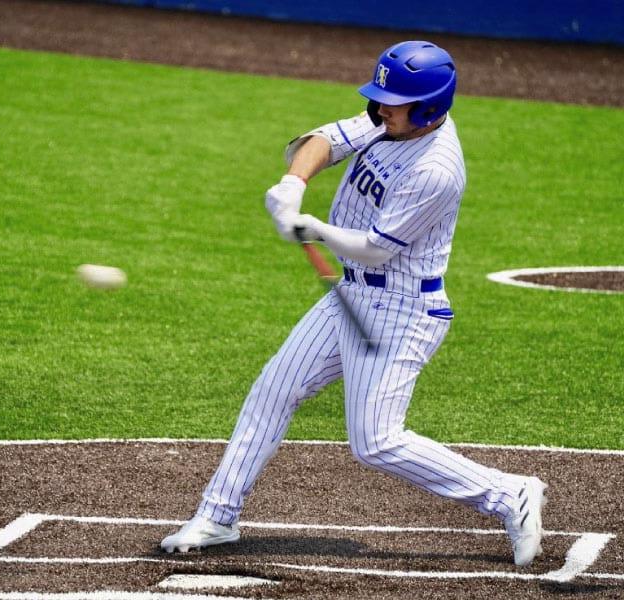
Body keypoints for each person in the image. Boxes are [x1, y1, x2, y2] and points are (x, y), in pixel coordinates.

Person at [161, 41, 548, 567]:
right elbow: (325, 138)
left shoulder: (435, 168)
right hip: (352, 293)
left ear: (429, 108)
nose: (380, 107)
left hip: (401, 311)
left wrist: (315, 228)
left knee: (376, 442)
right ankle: (218, 515)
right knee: (274, 389)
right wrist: (292, 184)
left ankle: (509, 494)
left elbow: (376, 247)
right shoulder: (390, 119)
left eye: (395, 102)